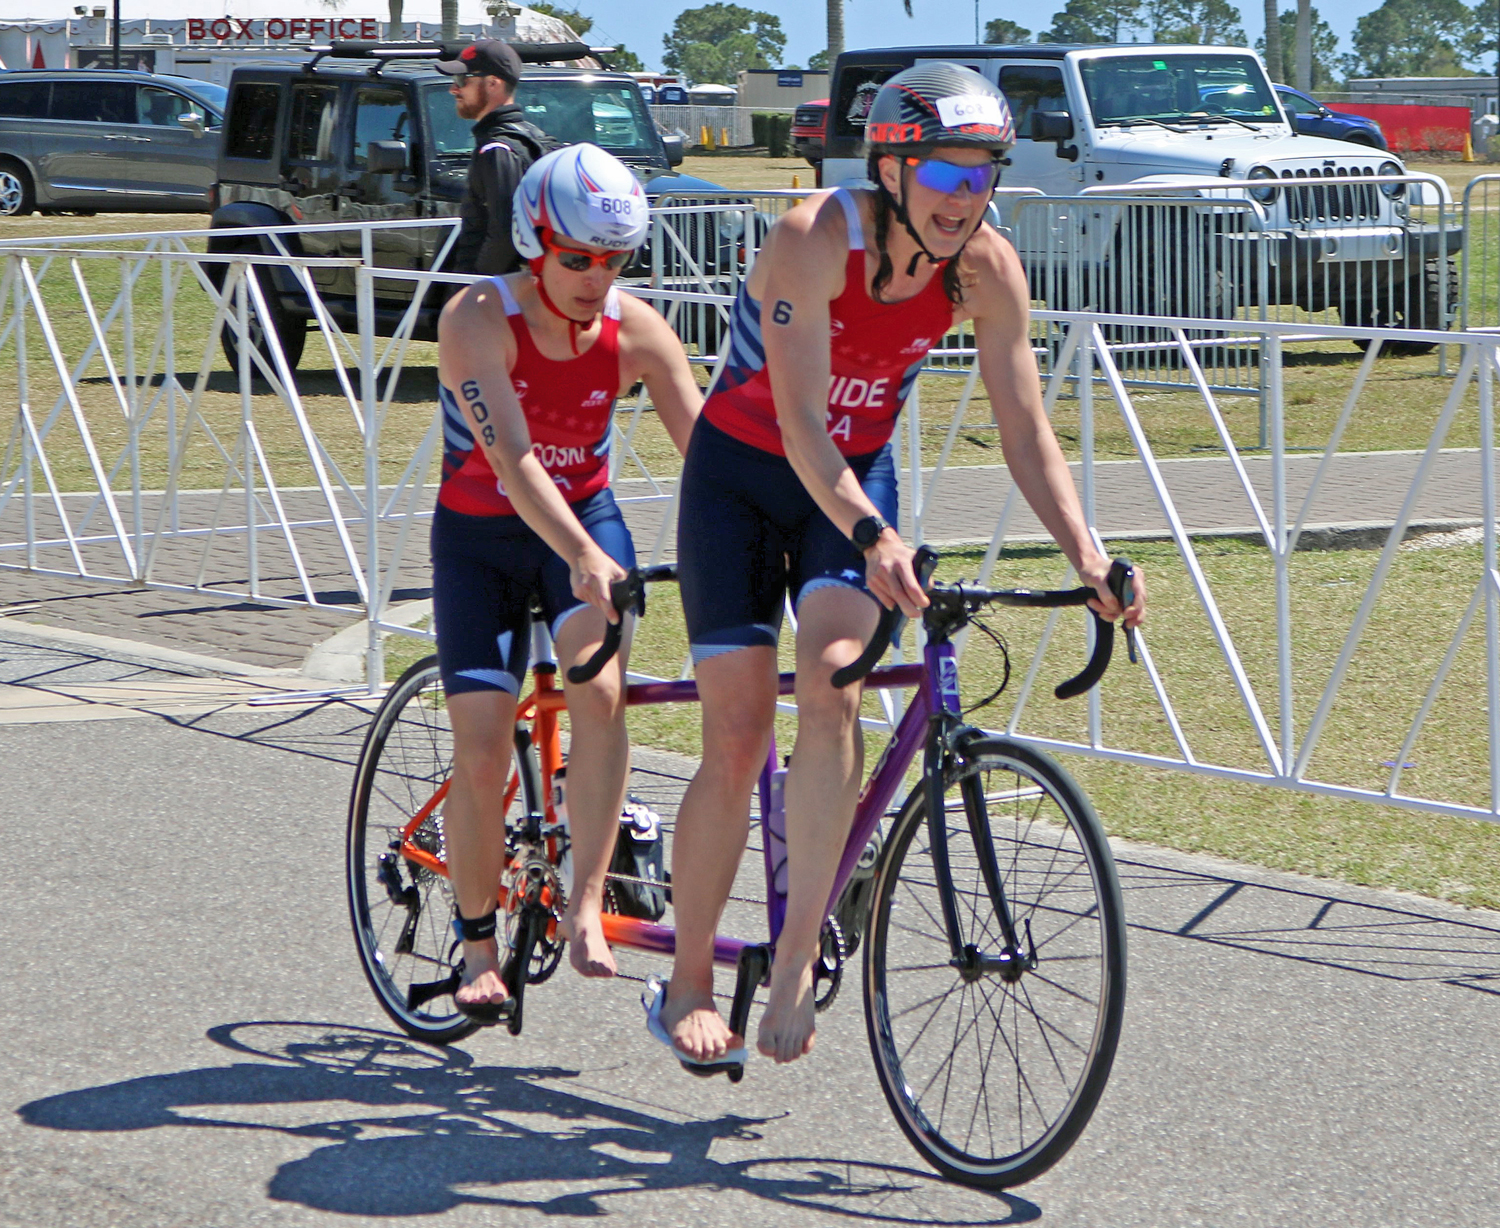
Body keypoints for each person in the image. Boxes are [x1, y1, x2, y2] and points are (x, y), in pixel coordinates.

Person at [652, 63, 1147, 1070]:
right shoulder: (812, 240)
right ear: (892, 165)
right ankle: (691, 976)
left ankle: (794, 960)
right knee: (741, 729)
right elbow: (796, 422)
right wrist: (875, 531)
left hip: (853, 482)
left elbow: (1025, 431)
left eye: (984, 176)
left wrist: (1091, 557)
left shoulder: (988, 271)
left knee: (834, 678)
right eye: (948, 175)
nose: (967, 199)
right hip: (744, 482)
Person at [434, 143, 701, 1020]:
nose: (596, 278)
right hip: (483, 536)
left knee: (602, 689)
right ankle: (478, 944)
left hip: (584, 520)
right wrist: (586, 558)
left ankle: (587, 899)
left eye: (615, 261)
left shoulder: (637, 327)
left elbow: (710, 456)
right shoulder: (476, 317)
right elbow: (511, 462)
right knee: (480, 748)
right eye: (576, 258)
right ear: (533, 241)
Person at [438, 39, 554, 276]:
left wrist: (475, 288)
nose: (453, 89)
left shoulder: (498, 150)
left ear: (493, 84)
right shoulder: (533, 137)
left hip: (493, 295)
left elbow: (504, 235)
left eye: (462, 80)